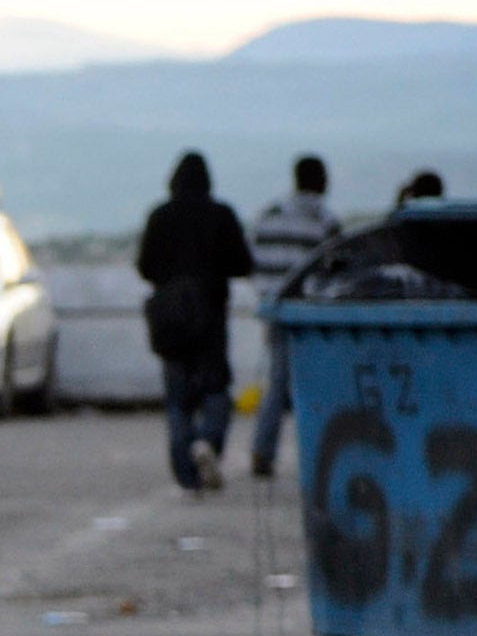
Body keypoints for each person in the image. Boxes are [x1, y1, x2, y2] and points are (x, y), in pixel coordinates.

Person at [136, 151, 254, 492]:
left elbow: (145, 267)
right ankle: (208, 441)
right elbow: (242, 264)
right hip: (211, 317)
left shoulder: (160, 216)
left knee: (177, 397)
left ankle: (187, 473)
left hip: (170, 320)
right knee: (215, 387)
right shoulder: (221, 215)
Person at [243, 155, 339, 480]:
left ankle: (262, 448)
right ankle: (317, 452)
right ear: (318, 180)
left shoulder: (269, 216)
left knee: (277, 382)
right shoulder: (323, 221)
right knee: (312, 386)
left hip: (274, 310)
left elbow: (251, 261)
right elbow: (336, 270)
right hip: (309, 317)